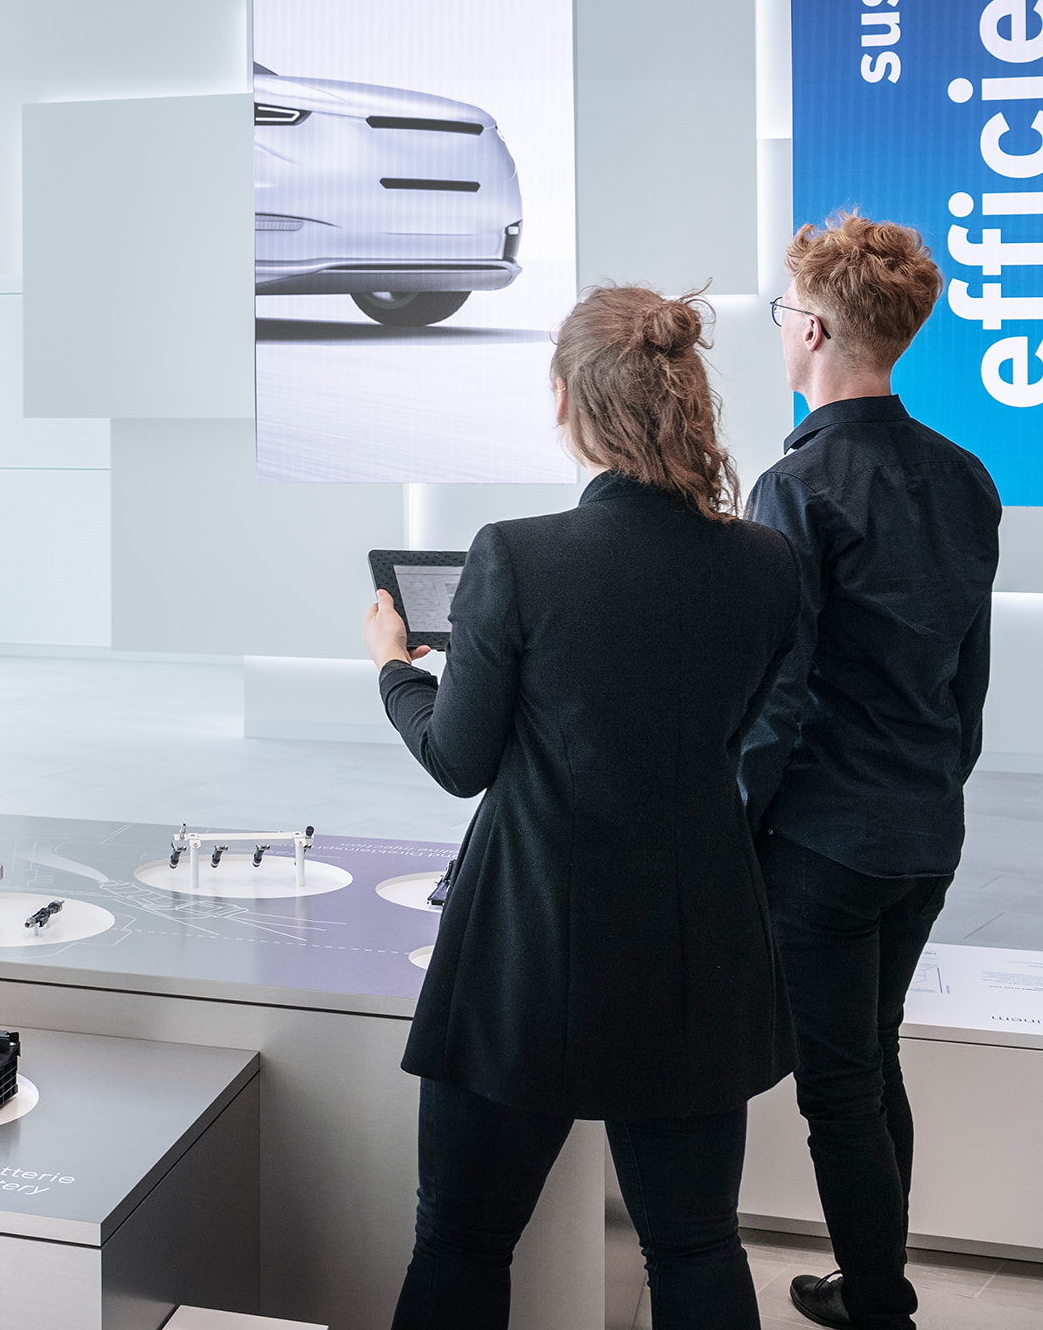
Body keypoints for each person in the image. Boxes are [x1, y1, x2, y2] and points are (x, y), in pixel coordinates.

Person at [364, 285, 804, 1330]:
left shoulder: (517, 555)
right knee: (697, 1250)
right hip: (699, 942)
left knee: (464, 1245)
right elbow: (737, 734)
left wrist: (396, 668)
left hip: (532, 949)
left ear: (566, 401)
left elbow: (458, 761)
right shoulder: (769, 564)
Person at [744, 214, 1001, 1330]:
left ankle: (881, 1308)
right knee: (871, 1059)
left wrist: (735, 829)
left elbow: (777, 697)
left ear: (808, 327)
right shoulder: (965, 476)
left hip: (824, 842)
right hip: (924, 830)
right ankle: (873, 1282)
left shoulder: (794, 487)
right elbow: (967, 688)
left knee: (839, 1085)